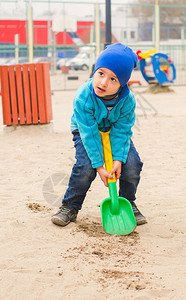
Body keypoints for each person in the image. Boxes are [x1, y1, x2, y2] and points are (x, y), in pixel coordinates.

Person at [51, 43, 147, 227]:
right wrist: (99, 166)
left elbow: (122, 130)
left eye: (113, 79)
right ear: (95, 70)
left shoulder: (127, 101)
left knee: (132, 164)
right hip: (86, 130)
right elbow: (90, 135)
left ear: (122, 83)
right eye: (101, 73)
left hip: (113, 131)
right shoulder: (83, 97)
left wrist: (118, 159)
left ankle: (127, 202)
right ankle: (69, 207)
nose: (103, 82)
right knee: (85, 167)